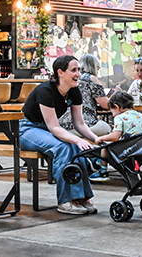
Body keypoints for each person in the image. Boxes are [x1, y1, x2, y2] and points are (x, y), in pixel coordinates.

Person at [20, 55, 100, 215]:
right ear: (60, 72)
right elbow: (54, 127)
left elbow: (80, 124)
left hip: (46, 130)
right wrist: (77, 139)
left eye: (78, 69)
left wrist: (96, 139)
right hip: (27, 129)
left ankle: (82, 197)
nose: (78, 73)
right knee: (64, 147)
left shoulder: (74, 91)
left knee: (77, 149)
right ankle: (65, 201)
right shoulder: (45, 91)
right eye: (74, 70)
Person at [90, 91, 142, 182]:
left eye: (112, 111)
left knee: (105, 146)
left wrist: (101, 138)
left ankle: (103, 172)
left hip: (128, 150)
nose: (113, 114)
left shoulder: (120, 117)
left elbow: (115, 136)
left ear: (117, 107)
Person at [59, 54, 112, 138]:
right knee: (108, 129)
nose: (98, 71)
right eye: (98, 68)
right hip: (84, 123)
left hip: (63, 123)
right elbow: (105, 104)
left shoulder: (72, 78)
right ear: (93, 67)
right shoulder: (91, 78)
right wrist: (116, 95)